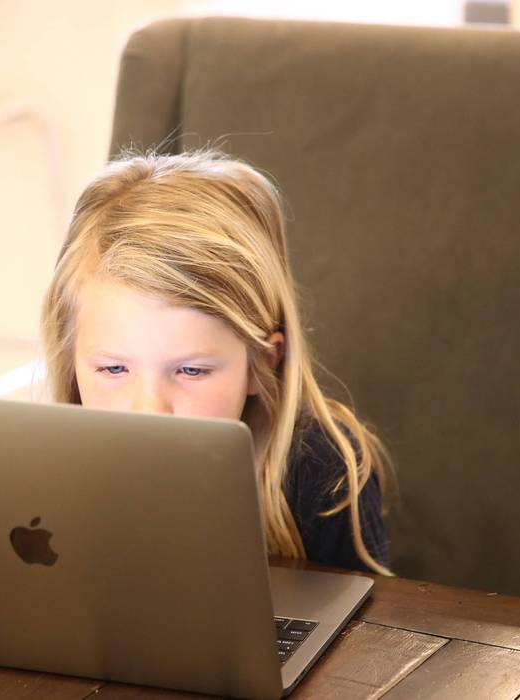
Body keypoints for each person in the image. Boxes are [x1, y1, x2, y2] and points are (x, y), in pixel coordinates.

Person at [40, 150, 391, 575]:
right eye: (115, 369)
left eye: (190, 371)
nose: (149, 410)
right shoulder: (43, 467)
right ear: (71, 359)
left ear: (262, 363)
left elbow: (368, 634)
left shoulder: (324, 471)